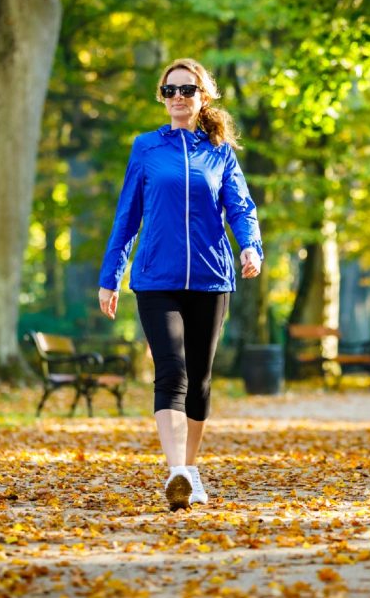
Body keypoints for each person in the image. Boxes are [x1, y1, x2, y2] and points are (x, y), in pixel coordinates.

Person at [97, 58, 263, 511]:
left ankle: (190, 469)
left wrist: (250, 247)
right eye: (169, 91)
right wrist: (111, 276)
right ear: (162, 97)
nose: (177, 98)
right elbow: (127, 216)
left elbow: (241, 208)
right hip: (155, 278)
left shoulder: (220, 152)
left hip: (211, 279)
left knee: (200, 381)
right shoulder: (146, 148)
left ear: (202, 97)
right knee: (171, 372)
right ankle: (175, 472)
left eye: (186, 90)